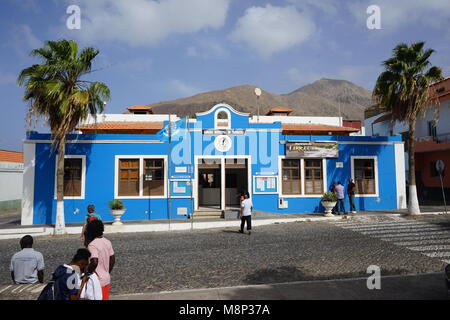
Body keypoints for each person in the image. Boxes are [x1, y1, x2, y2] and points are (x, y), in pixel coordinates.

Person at [85, 220, 115, 300]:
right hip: (106, 278)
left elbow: (94, 262)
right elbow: (112, 259)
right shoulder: (107, 241)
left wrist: (87, 273)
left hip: (97, 281)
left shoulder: (92, 245)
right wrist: (107, 272)